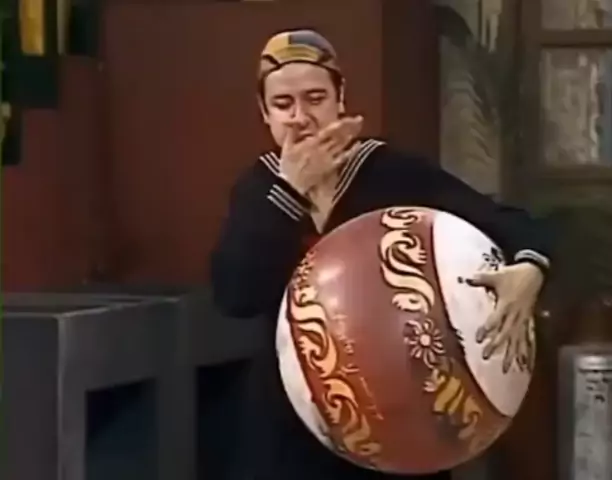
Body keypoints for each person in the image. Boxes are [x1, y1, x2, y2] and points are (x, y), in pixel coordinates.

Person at [210, 29, 552, 480]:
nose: (300, 118)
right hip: (291, 423)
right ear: (265, 113)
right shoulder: (260, 188)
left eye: (315, 98)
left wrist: (531, 266)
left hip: (400, 418)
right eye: (283, 104)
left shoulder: (392, 172)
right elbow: (235, 294)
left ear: (340, 99)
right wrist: (290, 192)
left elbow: (511, 223)